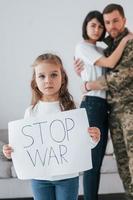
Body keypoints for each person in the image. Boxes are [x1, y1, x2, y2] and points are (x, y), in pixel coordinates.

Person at [3, 53, 101, 200]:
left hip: (68, 177)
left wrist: (94, 139)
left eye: (54, 75)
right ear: (35, 81)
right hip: (39, 178)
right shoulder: (31, 112)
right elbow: (24, 146)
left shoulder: (72, 109)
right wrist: (11, 151)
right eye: (41, 76)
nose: (48, 80)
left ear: (62, 78)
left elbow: (84, 145)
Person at [75, 4, 133, 200]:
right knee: (103, 163)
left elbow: (118, 72)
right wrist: (83, 78)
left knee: (105, 162)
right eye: (98, 24)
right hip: (101, 107)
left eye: (102, 25)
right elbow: (106, 66)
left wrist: (88, 82)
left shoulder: (112, 46)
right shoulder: (95, 47)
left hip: (117, 108)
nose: (101, 29)